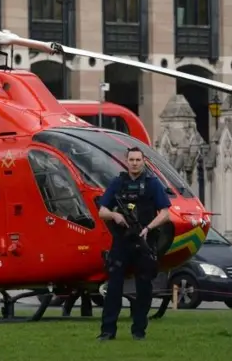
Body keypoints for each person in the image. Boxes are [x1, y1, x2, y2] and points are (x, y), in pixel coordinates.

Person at [96, 146, 171, 341]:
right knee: (113, 288)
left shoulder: (153, 184)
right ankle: (107, 331)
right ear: (126, 161)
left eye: (138, 160)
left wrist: (148, 228)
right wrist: (115, 215)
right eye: (132, 160)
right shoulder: (118, 183)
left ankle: (139, 331)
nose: (135, 163)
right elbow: (101, 211)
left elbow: (165, 213)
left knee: (144, 288)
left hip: (144, 240)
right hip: (121, 242)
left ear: (143, 161)